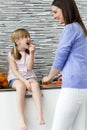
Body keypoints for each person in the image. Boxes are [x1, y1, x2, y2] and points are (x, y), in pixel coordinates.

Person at [42, 0, 87, 130]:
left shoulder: (70, 28)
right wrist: (64, 72)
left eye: (56, 12)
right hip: (83, 86)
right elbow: (78, 58)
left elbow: (61, 55)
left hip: (73, 88)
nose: (54, 16)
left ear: (65, 9)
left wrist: (49, 77)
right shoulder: (81, 29)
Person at [7, 28, 45, 130]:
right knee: (20, 86)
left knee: (35, 85)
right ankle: (21, 120)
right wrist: (24, 81)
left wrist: (32, 53)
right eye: (25, 37)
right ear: (17, 41)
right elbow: (15, 71)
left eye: (28, 36)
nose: (28, 38)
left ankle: (40, 116)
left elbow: (29, 68)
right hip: (15, 78)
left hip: (29, 76)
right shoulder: (11, 54)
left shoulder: (29, 52)